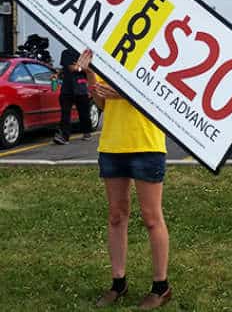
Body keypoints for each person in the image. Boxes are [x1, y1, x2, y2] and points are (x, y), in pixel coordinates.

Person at [76, 49, 173, 309]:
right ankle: (118, 283)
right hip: (112, 146)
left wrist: (123, 92)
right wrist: (89, 73)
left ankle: (161, 287)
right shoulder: (109, 56)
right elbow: (102, 105)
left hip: (147, 144)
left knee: (152, 218)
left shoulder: (157, 56)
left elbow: (162, 97)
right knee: (116, 216)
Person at [53, 47, 93, 145]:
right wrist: (81, 68)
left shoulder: (86, 52)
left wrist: (79, 68)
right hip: (67, 88)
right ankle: (64, 136)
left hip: (81, 87)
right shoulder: (66, 52)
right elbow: (70, 68)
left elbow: (89, 69)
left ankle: (87, 132)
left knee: (84, 113)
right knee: (65, 113)